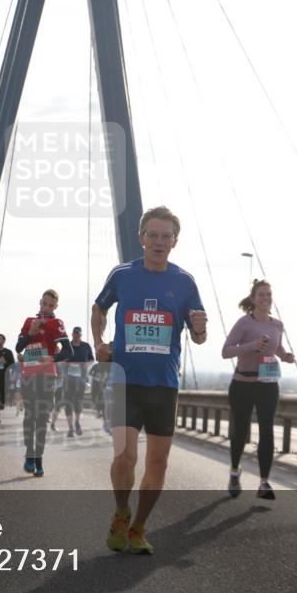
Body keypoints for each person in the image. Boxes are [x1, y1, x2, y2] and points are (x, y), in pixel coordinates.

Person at [92, 205, 206, 555]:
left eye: (166, 236)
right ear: (141, 238)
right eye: (152, 235)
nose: (159, 241)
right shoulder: (122, 275)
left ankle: (139, 526)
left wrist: (200, 329)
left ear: (174, 241)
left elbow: (198, 336)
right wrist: (99, 343)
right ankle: (122, 513)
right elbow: (100, 308)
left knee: (158, 463)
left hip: (164, 385)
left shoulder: (184, 281)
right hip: (127, 381)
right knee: (126, 457)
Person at [222, 279, 295, 500]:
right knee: (241, 430)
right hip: (243, 384)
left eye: (269, 295)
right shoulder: (244, 323)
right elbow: (226, 351)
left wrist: (285, 356)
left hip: (267, 384)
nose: (266, 298)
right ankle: (235, 471)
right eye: (262, 294)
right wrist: (252, 346)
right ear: (253, 299)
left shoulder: (277, 325)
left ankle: (264, 482)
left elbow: (278, 348)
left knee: (267, 431)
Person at [16, 289, 71, 477]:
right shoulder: (29, 321)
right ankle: (29, 455)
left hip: (47, 376)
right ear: (40, 302)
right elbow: (18, 347)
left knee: (41, 419)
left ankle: (39, 459)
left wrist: (52, 358)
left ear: (55, 306)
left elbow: (68, 350)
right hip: (29, 376)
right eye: (44, 304)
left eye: (51, 305)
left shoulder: (57, 323)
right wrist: (30, 333)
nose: (46, 308)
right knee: (29, 417)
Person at [60, 326, 94, 436]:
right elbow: (61, 360)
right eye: (75, 334)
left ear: (81, 335)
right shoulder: (66, 347)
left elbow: (92, 359)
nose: (76, 336)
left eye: (78, 334)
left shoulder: (86, 346)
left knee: (78, 402)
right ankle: (70, 428)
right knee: (68, 403)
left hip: (81, 379)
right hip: (68, 379)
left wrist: (87, 364)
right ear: (72, 334)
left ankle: (77, 422)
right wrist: (64, 363)